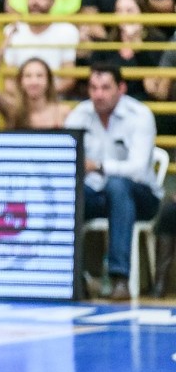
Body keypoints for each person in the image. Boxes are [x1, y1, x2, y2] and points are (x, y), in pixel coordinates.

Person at [66, 61, 162, 301]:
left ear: (121, 88)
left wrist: (98, 166)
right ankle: (74, 277)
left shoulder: (139, 115)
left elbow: (138, 169)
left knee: (117, 185)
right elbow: (69, 160)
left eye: (105, 88)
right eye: (93, 88)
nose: (98, 94)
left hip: (142, 197)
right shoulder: (80, 114)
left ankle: (120, 277)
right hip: (97, 193)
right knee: (71, 195)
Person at [0, 31, 71, 130]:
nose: (34, 81)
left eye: (39, 76)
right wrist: (0, 54)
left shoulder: (63, 112)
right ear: (20, 82)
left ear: (48, 81)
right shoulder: (13, 109)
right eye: (28, 76)